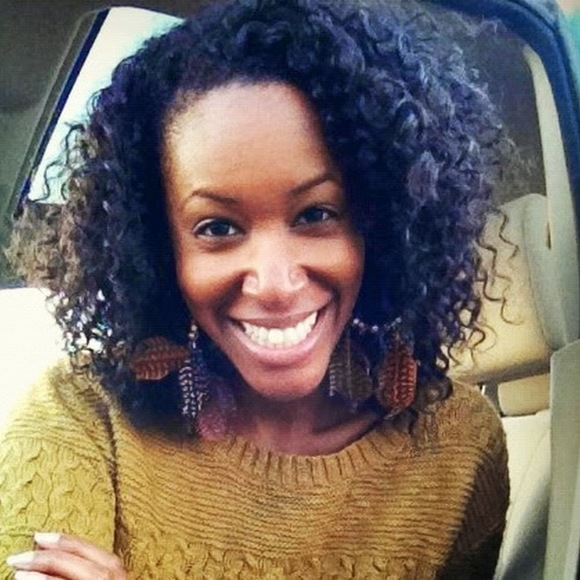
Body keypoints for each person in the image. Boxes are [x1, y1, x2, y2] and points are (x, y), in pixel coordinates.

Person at [1, 0, 512, 577]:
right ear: (159, 247)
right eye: (217, 228)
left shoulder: (458, 447)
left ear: (383, 225)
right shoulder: (83, 415)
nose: (274, 284)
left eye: (315, 214)